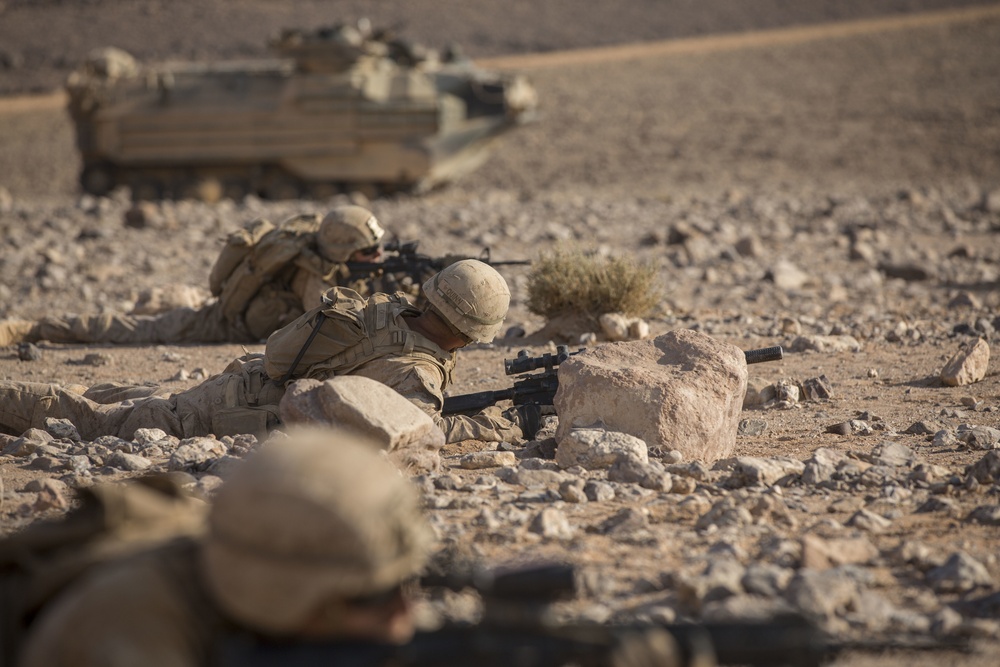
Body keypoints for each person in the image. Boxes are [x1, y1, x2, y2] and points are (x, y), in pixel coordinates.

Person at [16, 426, 435, 667]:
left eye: (407, 584)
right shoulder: (128, 630)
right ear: (281, 594)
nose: (404, 615)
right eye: (373, 598)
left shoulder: (254, 553)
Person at [0, 260, 529, 444]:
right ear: (473, 330)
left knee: (129, 397)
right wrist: (501, 424)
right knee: (97, 423)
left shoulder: (392, 310)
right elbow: (417, 432)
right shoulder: (417, 374)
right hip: (233, 412)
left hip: (246, 382)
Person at [0, 205, 395, 346]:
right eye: (368, 251)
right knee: (137, 330)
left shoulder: (321, 255)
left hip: (233, 310)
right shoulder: (317, 279)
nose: (377, 256)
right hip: (225, 324)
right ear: (343, 250)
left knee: (159, 311)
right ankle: (32, 329)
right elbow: (336, 326)